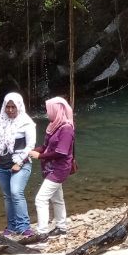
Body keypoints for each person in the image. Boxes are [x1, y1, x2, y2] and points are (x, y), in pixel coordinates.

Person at [0, 92, 37, 239]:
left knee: (16, 193)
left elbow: (30, 146)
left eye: (13, 107)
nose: (10, 110)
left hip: (20, 164)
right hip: (2, 165)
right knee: (7, 196)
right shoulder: (0, 123)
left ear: (19, 107)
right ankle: (11, 226)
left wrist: (19, 162)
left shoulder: (26, 122)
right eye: (7, 107)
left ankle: (24, 226)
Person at [30, 96, 75, 238]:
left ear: (56, 110)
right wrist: (32, 151)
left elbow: (61, 152)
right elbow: (46, 146)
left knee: (40, 199)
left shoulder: (66, 128)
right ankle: (61, 227)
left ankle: (42, 233)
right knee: (57, 199)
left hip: (59, 169)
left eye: (49, 109)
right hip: (52, 168)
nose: (47, 112)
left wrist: (40, 156)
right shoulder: (54, 126)